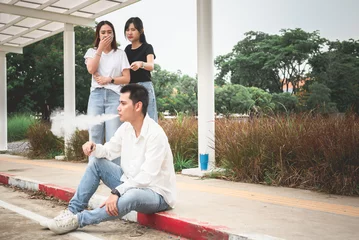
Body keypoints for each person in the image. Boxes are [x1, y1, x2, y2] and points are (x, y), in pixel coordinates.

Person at [44, 84, 176, 235]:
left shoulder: (155, 135)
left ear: (138, 106)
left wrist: (117, 192)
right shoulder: (126, 128)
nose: (118, 107)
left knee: (131, 196)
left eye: (123, 103)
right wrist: (95, 148)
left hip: (156, 193)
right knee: (96, 163)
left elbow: (147, 176)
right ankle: (70, 213)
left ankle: (78, 220)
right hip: (130, 184)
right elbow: (109, 150)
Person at [85, 20, 130, 165]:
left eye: (109, 32)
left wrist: (109, 79)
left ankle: (115, 175)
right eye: (103, 32)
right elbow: (91, 69)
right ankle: (94, 171)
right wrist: (100, 49)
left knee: (113, 138)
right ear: (98, 35)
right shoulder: (91, 52)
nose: (106, 35)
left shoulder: (120, 54)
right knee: (94, 134)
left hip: (114, 96)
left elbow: (127, 78)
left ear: (114, 34)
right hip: (96, 96)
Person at [124, 17, 158, 122]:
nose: (130, 33)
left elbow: (151, 66)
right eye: (128, 30)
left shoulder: (147, 47)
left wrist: (141, 64)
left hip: (145, 87)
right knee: (133, 121)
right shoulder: (127, 49)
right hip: (131, 88)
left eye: (133, 29)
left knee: (150, 120)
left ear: (141, 30)